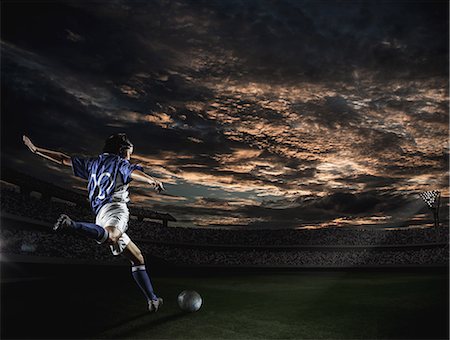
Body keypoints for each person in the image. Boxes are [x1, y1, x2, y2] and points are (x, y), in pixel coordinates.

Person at [23, 133, 165, 312]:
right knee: (112, 237)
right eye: (129, 152)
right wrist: (151, 180)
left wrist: (36, 150)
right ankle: (73, 225)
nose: (130, 157)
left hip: (100, 214)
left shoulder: (92, 163)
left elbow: (63, 159)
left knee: (137, 258)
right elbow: (132, 172)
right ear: (122, 150)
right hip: (115, 209)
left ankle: (152, 299)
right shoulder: (121, 163)